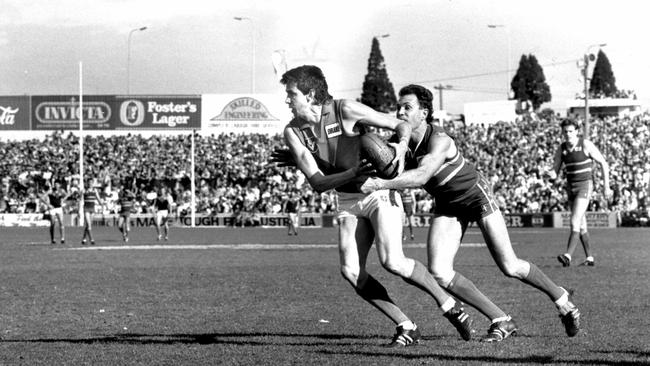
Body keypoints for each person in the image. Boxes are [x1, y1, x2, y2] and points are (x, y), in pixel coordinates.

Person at [360, 84, 581, 342]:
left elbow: (421, 176)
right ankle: (502, 319)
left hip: (476, 197)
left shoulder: (439, 140)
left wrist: (381, 183)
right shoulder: (401, 144)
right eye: (398, 107)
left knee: (510, 265)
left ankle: (563, 299)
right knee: (440, 271)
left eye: (407, 107)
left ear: (424, 113)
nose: (400, 112)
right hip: (448, 203)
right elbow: (384, 163)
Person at [273, 65, 473, 347]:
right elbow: (318, 183)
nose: (287, 100)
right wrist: (351, 174)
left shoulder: (344, 110)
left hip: (378, 192)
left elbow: (399, 124)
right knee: (351, 270)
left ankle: (449, 305)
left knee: (393, 261)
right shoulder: (293, 132)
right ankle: (407, 325)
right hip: (347, 197)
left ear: (311, 94)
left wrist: (402, 145)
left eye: (291, 94)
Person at [552, 118, 610, 267]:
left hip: (585, 186)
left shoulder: (585, 144)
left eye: (571, 131)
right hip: (570, 187)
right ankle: (589, 258)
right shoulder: (562, 148)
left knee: (574, 220)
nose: (568, 134)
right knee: (582, 225)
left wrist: (606, 187)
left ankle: (568, 256)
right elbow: (555, 171)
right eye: (565, 131)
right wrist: (548, 174)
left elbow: (603, 163)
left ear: (577, 131)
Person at [81, 180, 103, 245]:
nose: (90, 184)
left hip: (92, 208)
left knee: (88, 225)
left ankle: (84, 238)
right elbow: (80, 198)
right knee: (89, 224)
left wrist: (101, 204)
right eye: (89, 183)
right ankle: (92, 239)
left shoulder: (95, 190)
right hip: (86, 208)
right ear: (87, 183)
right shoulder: (84, 190)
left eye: (91, 183)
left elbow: (98, 198)